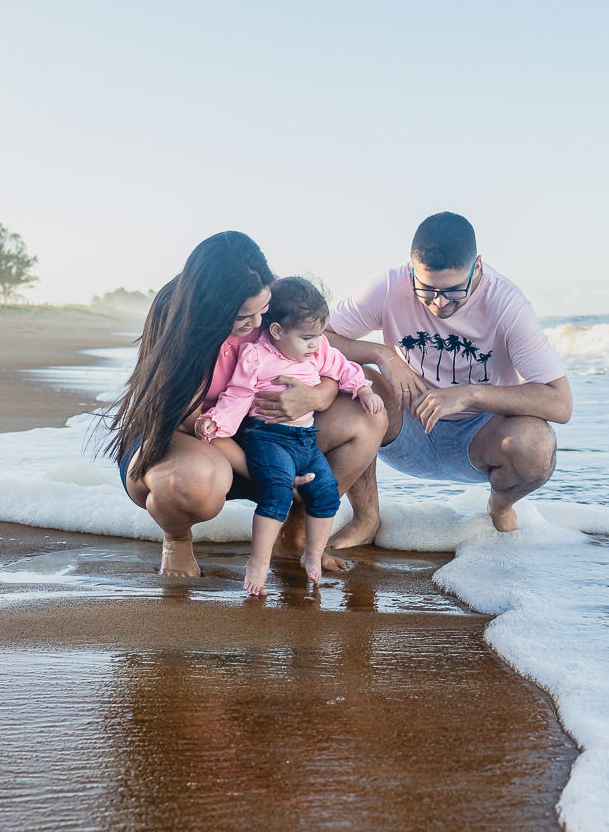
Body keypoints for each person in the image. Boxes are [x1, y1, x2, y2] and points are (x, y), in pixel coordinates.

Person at [106, 232, 388, 579]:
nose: (257, 326)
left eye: (263, 311)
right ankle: (176, 538)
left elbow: (324, 355)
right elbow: (184, 417)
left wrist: (317, 396)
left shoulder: (278, 293)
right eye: (243, 317)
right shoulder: (177, 315)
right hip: (187, 441)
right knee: (198, 480)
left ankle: (295, 535)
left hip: (262, 435)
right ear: (212, 307)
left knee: (369, 416)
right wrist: (266, 472)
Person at [324, 212, 572, 544]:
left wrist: (471, 394)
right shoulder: (388, 285)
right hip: (405, 424)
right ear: (411, 269)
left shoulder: (507, 303)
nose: (439, 303)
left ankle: (499, 508)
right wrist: (383, 355)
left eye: (454, 291)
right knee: (355, 383)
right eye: (426, 290)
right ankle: (367, 519)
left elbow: (560, 402)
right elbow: (318, 337)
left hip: (480, 436)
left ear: (478, 267)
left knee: (536, 444)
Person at [196, 277, 384, 594]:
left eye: (319, 335)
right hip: (267, 439)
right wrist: (216, 422)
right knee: (278, 493)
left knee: (325, 492)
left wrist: (364, 390)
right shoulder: (256, 356)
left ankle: (311, 555)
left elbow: (344, 368)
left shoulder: (318, 349)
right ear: (278, 331)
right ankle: (259, 562)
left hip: (305, 440)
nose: (315, 344)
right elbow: (237, 396)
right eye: (307, 337)